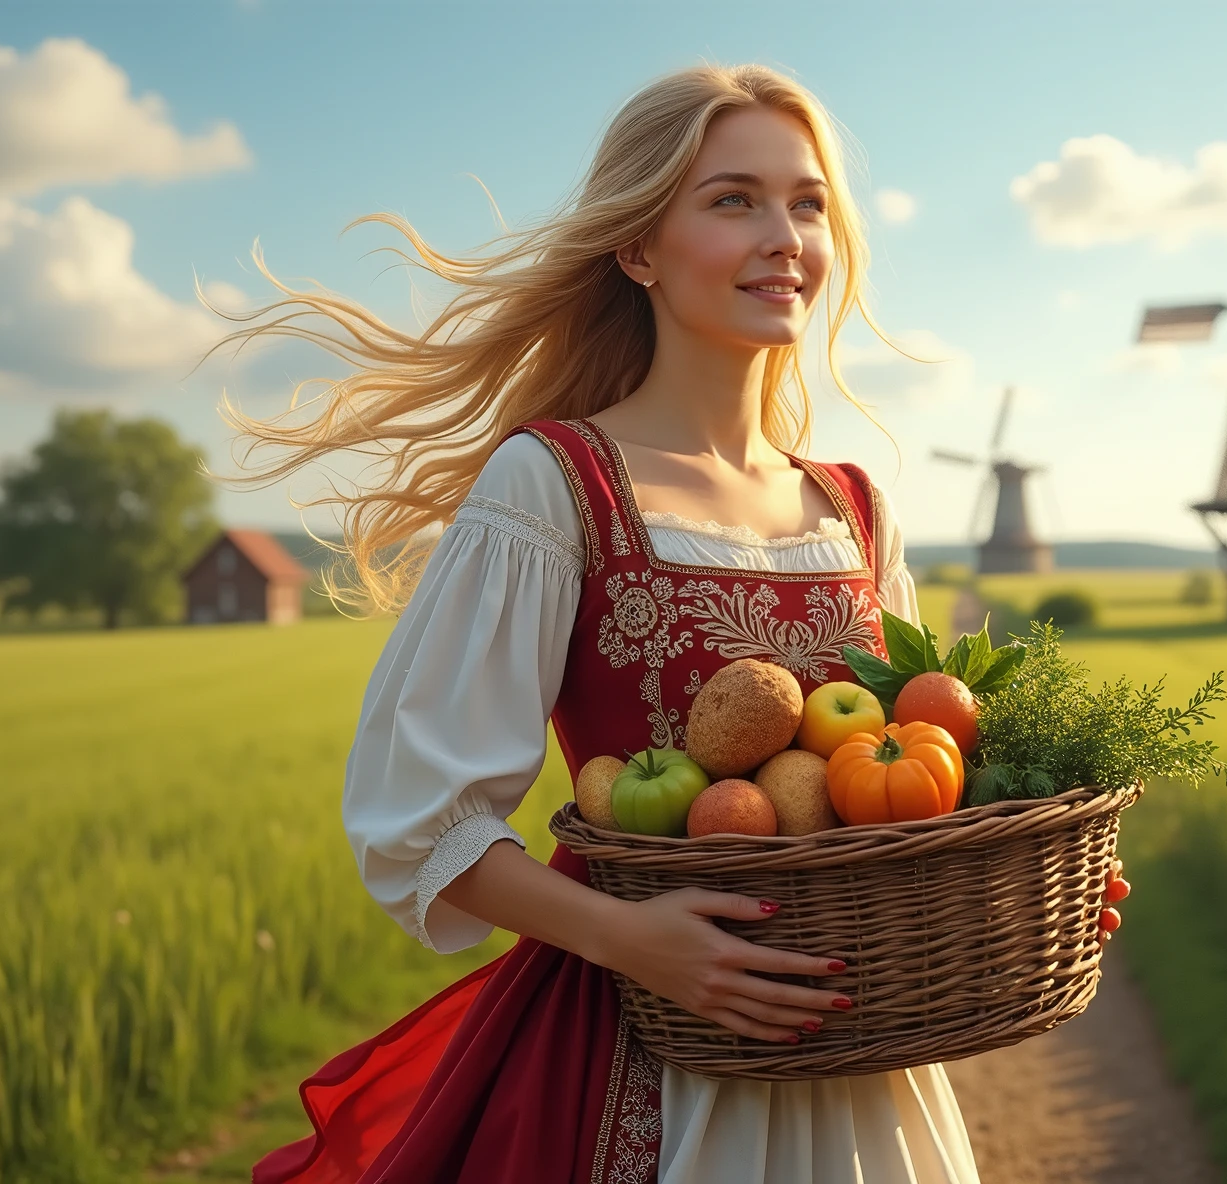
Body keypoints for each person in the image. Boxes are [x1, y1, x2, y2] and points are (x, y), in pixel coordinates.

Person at [209, 62, 1126, 1184]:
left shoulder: (854, 506)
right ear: (637, 247)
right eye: (731, 199)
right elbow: (420, 819)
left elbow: (900, 773)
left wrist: (1015, 881)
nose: (782, 234)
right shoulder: (554, 483)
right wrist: (631, 938)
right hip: (645, 1050)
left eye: (806, 202)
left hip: (860, 1067)